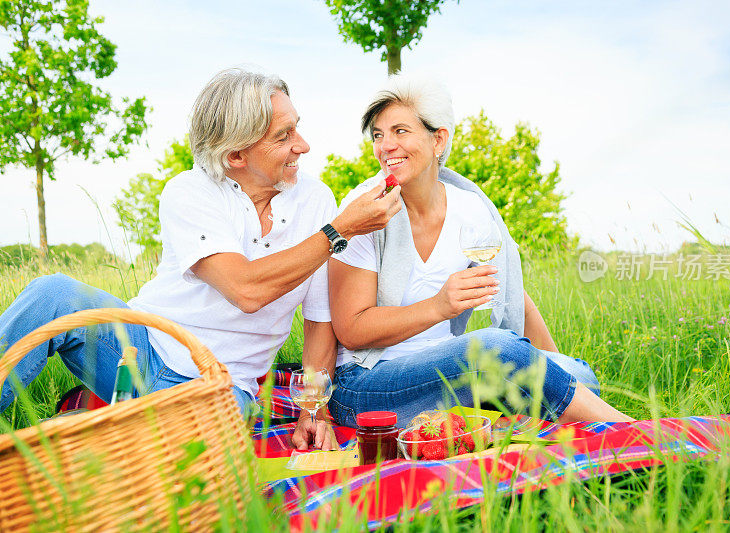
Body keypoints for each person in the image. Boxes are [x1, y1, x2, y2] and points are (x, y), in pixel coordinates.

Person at [0, 68, 402, 450]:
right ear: (236, 157)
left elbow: (319, 321)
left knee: (189, 458)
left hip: (223, 384)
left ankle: (134, 442)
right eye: (284, 135)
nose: (303, 144)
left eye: (296, 126)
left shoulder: (316, 200)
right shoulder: (188, 192)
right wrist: (338, 231)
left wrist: (314, 410)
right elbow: (246, 289)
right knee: (53, 293)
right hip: (141, 349)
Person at [327, 74, 634, 428]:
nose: (385, 146)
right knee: (500, 353)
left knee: (579, 376)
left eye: (400, 131)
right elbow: (352, 328)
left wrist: (549, 363)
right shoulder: (365, 208)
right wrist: (438, 307)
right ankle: (635, 431)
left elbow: (508, 291)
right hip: (367, 384)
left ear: (438, 139)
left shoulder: (469, 209)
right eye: (378, 135)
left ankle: (480, 416)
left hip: (447, 371)